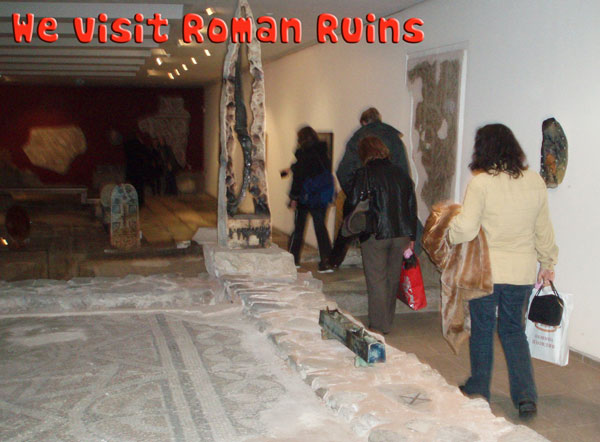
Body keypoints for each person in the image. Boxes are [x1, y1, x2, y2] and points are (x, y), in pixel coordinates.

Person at [447, 123, 558, 419]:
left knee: (483, 329)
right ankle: (526, 396)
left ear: (483, 149)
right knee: (513, 331)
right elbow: (543, 228)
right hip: (520, 273)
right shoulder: (534, 181)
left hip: (486, 272)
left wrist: (449, 231)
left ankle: (479, 387)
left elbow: (466, 228)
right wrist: (548, 263)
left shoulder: (482, 183)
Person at [346, 136, 417, 334]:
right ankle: (387, 320)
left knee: (376, 279)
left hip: (375, 233)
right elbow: (411, 206)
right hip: (401, 234)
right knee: (392, 279)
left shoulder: (364, 174)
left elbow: (352, 202)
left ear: (363, 153)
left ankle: (378, 325)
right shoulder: (401, 174)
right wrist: (412, 236)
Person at [331, 107, 411, 267]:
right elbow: (404, 174)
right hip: (390, 204)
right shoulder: (394, 138)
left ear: (364, 122)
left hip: (366, 200)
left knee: (349, 229)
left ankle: (333, 262)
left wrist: (355, 192)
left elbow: (343, 171)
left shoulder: (359, 137)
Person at [288, 126, 334, 273]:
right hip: (320, 197)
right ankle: (326, 262)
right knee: (321, 229)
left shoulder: (303, 154)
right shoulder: (323, 153)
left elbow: (299, 179)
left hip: (305, 197)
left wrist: (293, 197)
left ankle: (293, 259)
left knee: (299, 229)